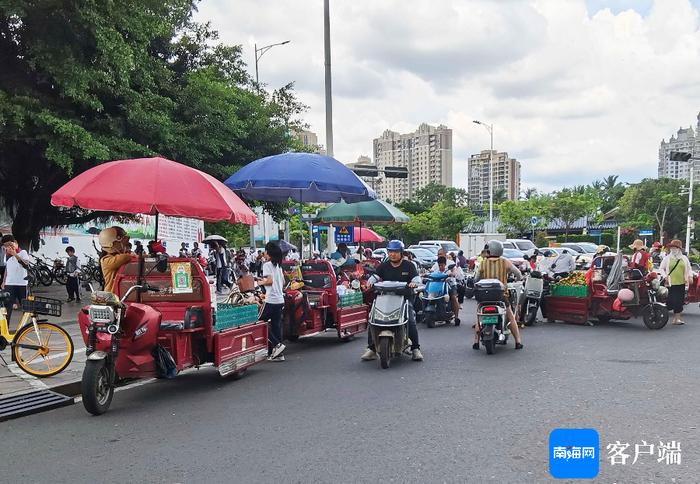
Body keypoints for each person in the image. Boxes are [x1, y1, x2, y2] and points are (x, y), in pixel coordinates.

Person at [361, 240, 423, 362]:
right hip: (385, 298)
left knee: (410, 319)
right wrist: (369, 283)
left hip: (404, 299)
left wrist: (414, 283)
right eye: (390, 252)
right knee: (373, 319)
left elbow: (416, 279)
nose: (392, 254)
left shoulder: (409, 266)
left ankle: (415, 348)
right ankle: (372, 349)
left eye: (395, 252)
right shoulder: (384, 266)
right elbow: (375, 277)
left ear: (401, 253)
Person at [472, 240, 524, 350]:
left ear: (490, 250)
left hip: (484, 296)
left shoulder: (483, 263)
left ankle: (476, 341)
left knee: (479, 316)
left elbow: (476, 279)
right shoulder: (505, 262)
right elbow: (518, 274)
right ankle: (518, 341)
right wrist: (518, 280)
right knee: (510, 316)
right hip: (500, 296)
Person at [257, 241, 286, 361]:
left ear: (268, 253)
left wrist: (259, 283)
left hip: (271, 300)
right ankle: (278, 354)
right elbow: (283, 282)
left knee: (259, 323)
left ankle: (277, 344)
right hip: (280, 300)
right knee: (275, 326)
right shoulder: (278, 266)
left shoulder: (267, 265)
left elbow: (269, 281)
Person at [659, 239, 693, 325]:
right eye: (672, 247)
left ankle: (677, 318)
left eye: (675, 247)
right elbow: (661, 268)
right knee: (672, 301)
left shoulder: (684, 259)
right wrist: (665, 276)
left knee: (679, 301)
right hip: (670, 283)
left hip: (681, 282)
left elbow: (689, 269)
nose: (673, 249)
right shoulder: (667, 258)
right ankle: (671, 316)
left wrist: (690, 277)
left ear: (679, 249)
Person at [1, 235, 30, 321]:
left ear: (15, 242)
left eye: (9, 244)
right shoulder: (7, 256)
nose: (8, 247)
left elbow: (26, 265)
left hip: (21, 284)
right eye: (5, 246)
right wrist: (3, 281)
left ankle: (24, 328)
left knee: (25, 307)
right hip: (9, 284)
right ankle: (5, 331)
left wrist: (15, 254)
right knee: (7, 308)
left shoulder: (23, 252)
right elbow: (7, 269)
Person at [430, 251, 461, 324]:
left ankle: (456, 317)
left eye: (441, 254)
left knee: (453, 297)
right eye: (438, 254)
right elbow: (431, 271)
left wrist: (452, 274)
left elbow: (454, 271)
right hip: (437, 285)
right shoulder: (436, 264)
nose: (439, 255)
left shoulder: (450, 263)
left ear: (445, 255)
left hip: (450, 284)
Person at [98, 227, 133, 293]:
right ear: (112, 243)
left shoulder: (120, 255)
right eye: (121, 242)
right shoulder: (106, 260)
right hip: (112, 295)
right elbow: (124, 258)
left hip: (121, 294)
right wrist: (132, 255)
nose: (124, 245)